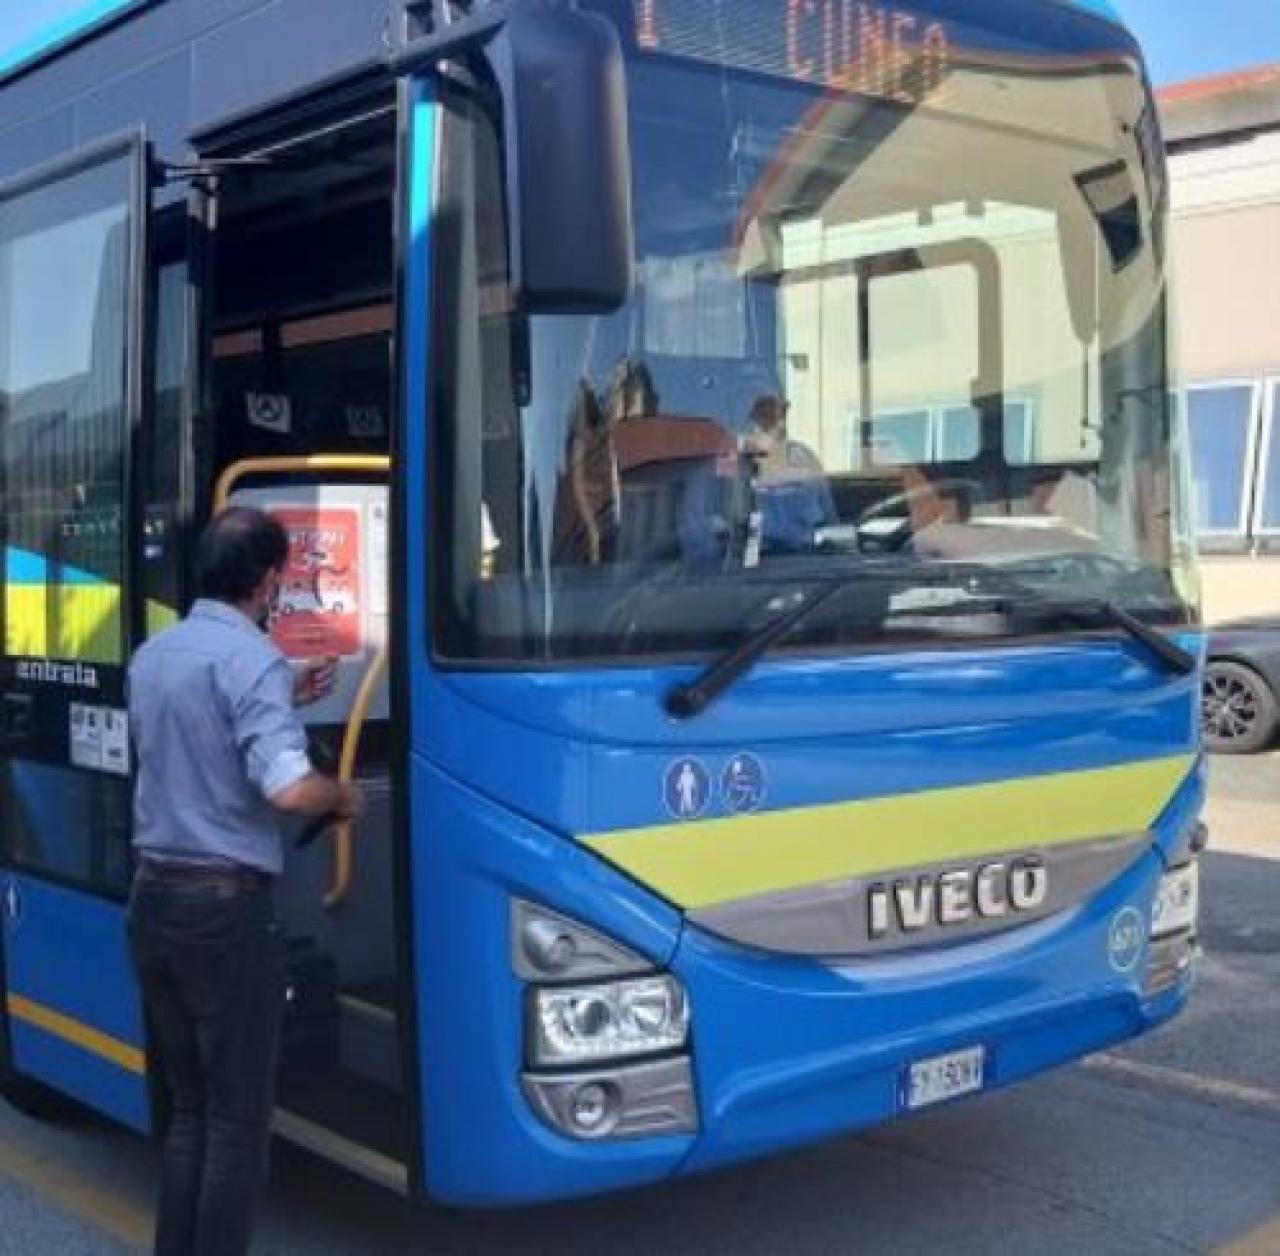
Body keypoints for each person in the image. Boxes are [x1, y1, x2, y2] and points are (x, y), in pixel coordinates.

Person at [126, 507, 364, 1256]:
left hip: (154, 902)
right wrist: (343, 796)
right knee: (235, 1125)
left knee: (191, 1112)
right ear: (268, 582)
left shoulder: (153, 655)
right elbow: (289, 789)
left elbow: (192, 736)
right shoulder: (252, 661)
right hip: (224, 918)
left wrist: (279, 697)